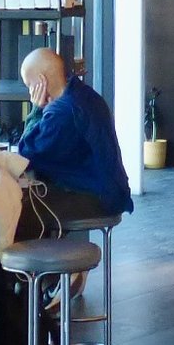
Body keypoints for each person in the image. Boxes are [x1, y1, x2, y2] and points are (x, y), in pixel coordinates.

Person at [15, 46, 134, 225]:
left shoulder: (63, 112)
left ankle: (39, 254)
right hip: (111, 190)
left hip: (96, 197)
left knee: (17, 210)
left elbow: (26, 155)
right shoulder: (84, 94)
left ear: (41, 81)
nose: (29, 92)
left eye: (29, 85)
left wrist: (36, 110)